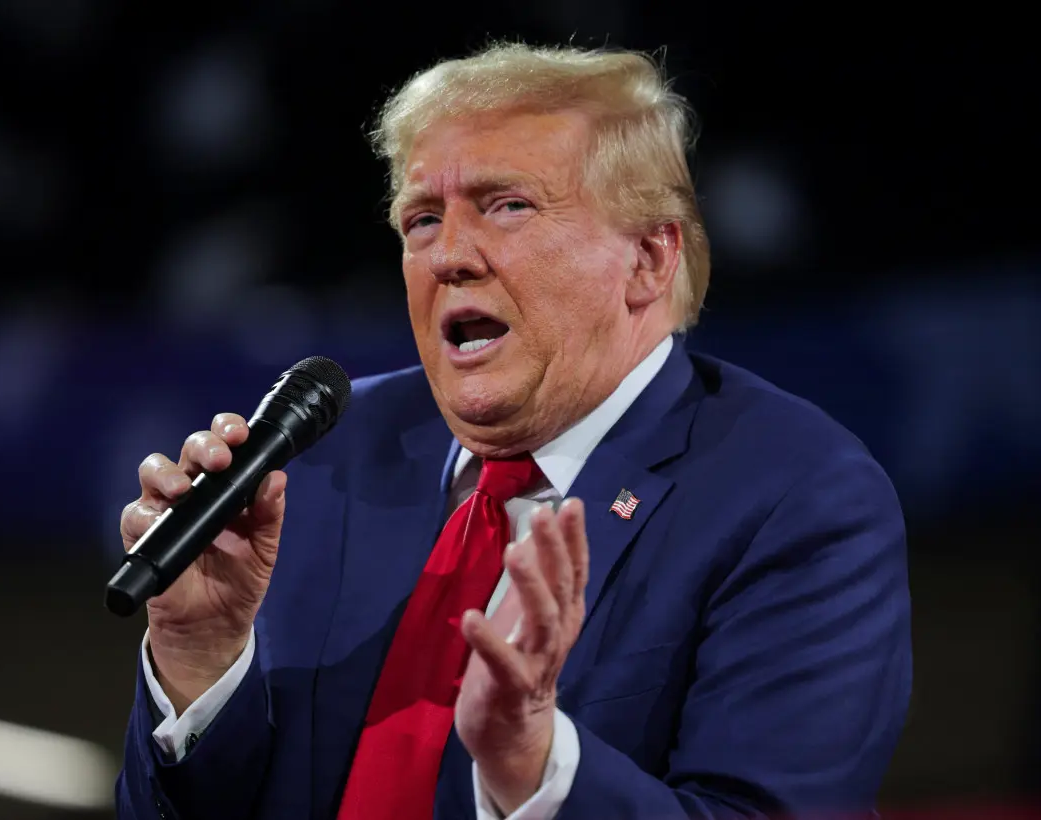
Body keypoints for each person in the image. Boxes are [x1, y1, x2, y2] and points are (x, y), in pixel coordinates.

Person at [115, 43, 912, 820]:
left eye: (508, 205)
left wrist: (537, 768)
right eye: (422, 219)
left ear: (648, 259)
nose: (449, 256)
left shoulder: (797, 495)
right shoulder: (327, 456)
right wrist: (201, 664)